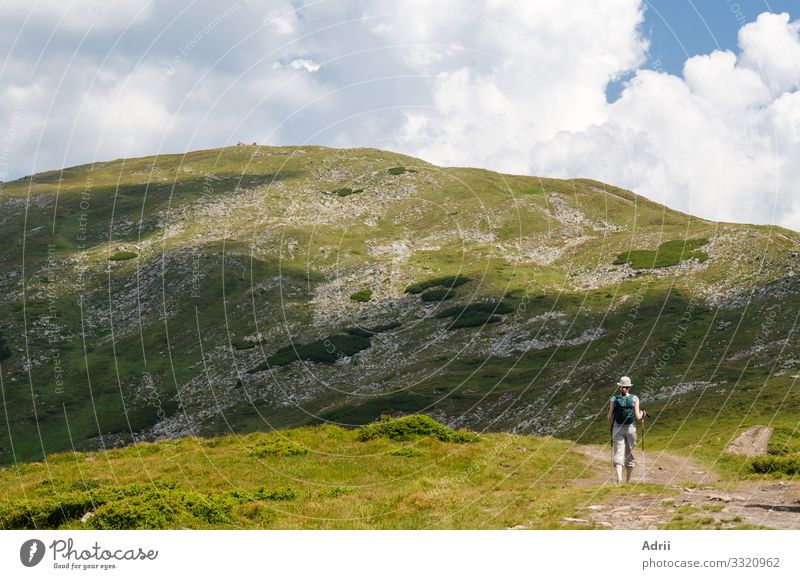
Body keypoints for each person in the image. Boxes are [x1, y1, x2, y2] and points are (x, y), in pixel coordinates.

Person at [606, 376, 646, 483]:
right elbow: (638, 417)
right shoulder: (634, 398)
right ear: (629, 387)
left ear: (620, 387)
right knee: (630, 454)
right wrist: (643, 414)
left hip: (617, 428)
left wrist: (611, 411)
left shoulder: (614, 399)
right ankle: (628, 481)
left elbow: (609, 418)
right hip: (631, 428)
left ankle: (619, 478)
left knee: (619, 452)